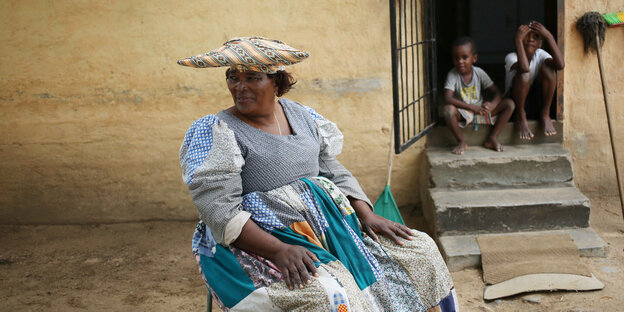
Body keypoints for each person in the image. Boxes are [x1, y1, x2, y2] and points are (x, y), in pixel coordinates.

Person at [177, 37, 458, 312]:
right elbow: (220, 211)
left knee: (420, 250)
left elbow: (333, 170)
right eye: (232, 78)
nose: (240, 87)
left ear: (276, 81)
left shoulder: (303, 116)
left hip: (332, 229)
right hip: (258, 242)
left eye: (252, 77)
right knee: (331, 294)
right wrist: (278, 250)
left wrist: (366, 214)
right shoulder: (217, 131)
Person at [442, 37, 514, 154]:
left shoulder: (479, 72)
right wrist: (471, 107)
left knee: (509, 104)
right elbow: (447, 98)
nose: (460, 61)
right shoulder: (453, 74)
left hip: (481, 111)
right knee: (448, 110)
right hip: (464, 113)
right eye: (456, 58)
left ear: (474, 58)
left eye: (464, 57)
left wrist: (491, 105)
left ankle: (492, 138)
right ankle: (461, 141)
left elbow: (497, 93)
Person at [504, 21, 565, 140]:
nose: (530, 39)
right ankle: (521, 116)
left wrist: (548, 36)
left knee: (549, 70)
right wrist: (517, 40)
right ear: (519, 40)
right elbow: (524, 68)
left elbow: (560, 65)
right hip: (515, 102)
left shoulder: (540, 54)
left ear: (540, 44)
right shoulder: (511, 57)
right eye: (526, 36)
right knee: (524, 74)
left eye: (535, 37)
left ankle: (545, 114)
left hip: (534, 100)